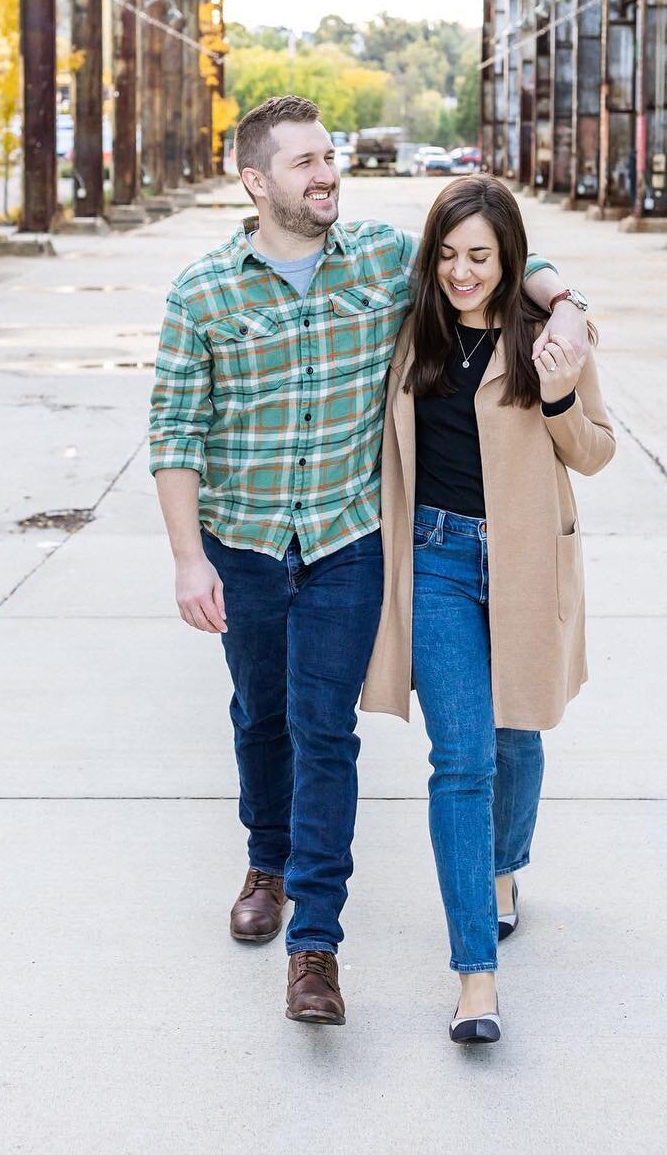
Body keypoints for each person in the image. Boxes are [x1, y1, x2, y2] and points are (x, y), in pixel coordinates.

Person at [148, 95, 593, 1028]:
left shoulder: (384, 260)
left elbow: (494, 242)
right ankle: (268, 863)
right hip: (253, 539)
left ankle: (318, 943)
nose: (326, 175)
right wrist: (189, 559)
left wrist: (568, 303)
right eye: (305, 163)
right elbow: (175, 431)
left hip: (352, 543)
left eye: (329, 158)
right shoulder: (204, 293)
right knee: (262, 716)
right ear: (255, 179)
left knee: (335, 733)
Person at [360, 175, 614, 1044]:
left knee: (518, 735)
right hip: (432, 560)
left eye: (481, 257)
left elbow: (595, 454)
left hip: (522, 563)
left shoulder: (549, 338)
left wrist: (560, 389)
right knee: (459, 760)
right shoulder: (408, 328)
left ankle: (506, 868)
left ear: (509, 261)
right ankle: (475, 976)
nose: (462, 273)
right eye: (449, 255)